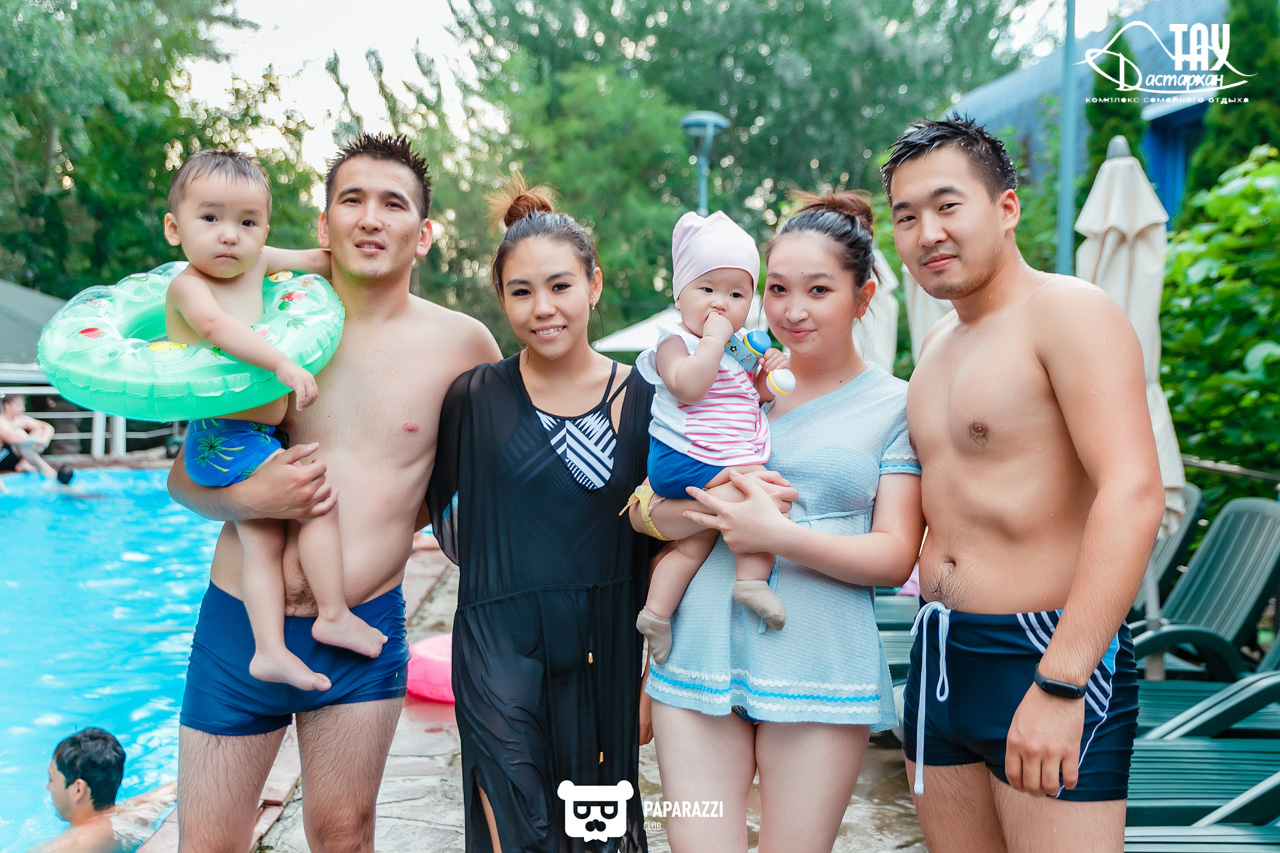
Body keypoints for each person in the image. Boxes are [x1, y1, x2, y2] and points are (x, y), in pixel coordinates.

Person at [167, 132, 501, 853]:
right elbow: (185, 478)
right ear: (324, 225)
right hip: (238, 622)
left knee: (344, 835)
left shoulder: (464, 346)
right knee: (207, 845)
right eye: (352, 200)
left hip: (360, 628)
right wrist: (252, 501)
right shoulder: (265, 326)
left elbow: (500, 479)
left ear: (424, 233)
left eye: (393, 203)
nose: (370, 218)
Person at [884, 117, 1164, 852]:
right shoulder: (935, 347)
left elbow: (1133, 491)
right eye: (906, 217)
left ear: (1006, 208)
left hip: (1043, 652)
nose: (927, 233)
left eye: (948, 205)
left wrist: (1063, 680)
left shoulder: (1070, 312)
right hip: (939, 654)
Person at [638, 191, 925, 852]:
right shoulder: (723, 381)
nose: (793, 310)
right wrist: (683, 512)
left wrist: (779, 537)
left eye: (819, 289)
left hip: (819, 668)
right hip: (697, 661)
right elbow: (641, 509)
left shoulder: (897, 405)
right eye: (777, 288)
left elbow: (894, 555)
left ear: (863, 295)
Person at [426, 178, 656, 852]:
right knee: (516, 826)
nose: (543, 308)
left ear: (594, 284)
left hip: (604, 651)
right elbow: (442, 512)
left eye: (560, 285)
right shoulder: (475, 398)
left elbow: (666, 539)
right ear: (502, 299)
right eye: (521, 291)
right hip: (498, 644)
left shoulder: (645, 398)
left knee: (595, 838)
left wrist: (651, 677)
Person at [164, 148, 385, 692]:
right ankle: (333, 614)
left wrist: (356, 251)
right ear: (174, 228)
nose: (229, 235)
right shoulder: (189, 286)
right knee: (315, 501)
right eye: (209, 218)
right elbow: (216, 328)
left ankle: (269, 651)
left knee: (262, 543)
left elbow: (315, 260)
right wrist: (283, 364)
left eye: (248, 222)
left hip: (254, 435)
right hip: (224, 437)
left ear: (264, 230)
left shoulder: (259, 261)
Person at [633, 211, 790, 665]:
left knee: (694, 544)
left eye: (736, 294)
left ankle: (656, 614)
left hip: (711, 457)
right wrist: (714, 342)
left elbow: (747, 398)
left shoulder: (737, 350)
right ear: (679, 293)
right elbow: (689, 386)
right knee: (763, 488)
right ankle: (751, 582)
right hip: (682, 457)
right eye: (707, 290)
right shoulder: (672, 343)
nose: (721, 305)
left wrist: (768, 378)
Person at [30, 727, 177, 853]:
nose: (48, 787)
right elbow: (176, 788)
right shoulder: (136, 812)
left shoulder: (75, 844)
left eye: (51, 779)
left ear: (78, 789)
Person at [0, 393, 74, 484]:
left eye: (23, 405)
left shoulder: (20, 419)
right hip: (3, 458)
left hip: (16, 456)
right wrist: (37, 441)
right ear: (7, 406)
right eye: (18, 405)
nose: (23, 408)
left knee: (39, 431)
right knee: (20, 436)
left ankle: (24, 462)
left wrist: (44, 440)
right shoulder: (2, 421)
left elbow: (47, 427)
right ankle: (44, 468)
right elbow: (12, 438)